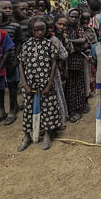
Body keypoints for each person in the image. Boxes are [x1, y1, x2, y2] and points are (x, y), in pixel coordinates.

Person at [17, 17, 63, 151]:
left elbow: (54, 64)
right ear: (31, 30)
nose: (39, 32)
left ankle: (48, 134)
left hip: (46, 82)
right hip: (30, 83)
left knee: (49, 108)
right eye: (36, 30)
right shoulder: (26, 45)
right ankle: (27, 136)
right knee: (28, 110)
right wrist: (24, 83)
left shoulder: (49, 45)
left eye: (42, 29)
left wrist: (49, 84)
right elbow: (21, 64)